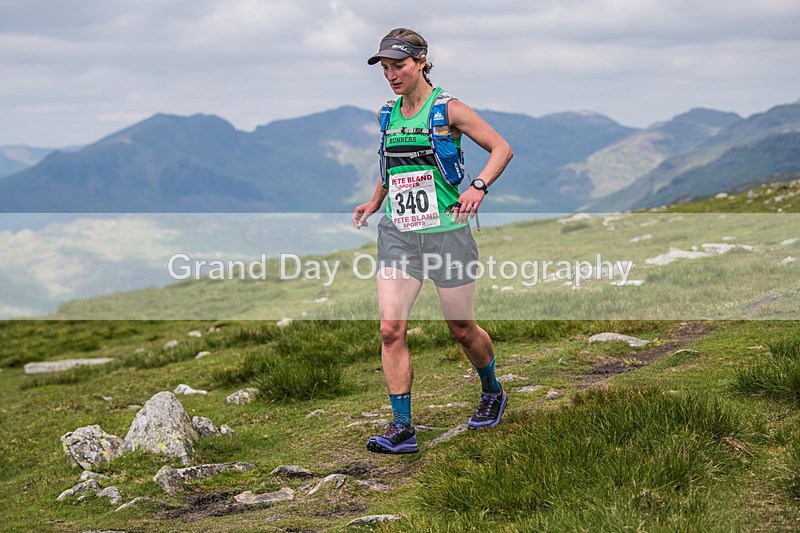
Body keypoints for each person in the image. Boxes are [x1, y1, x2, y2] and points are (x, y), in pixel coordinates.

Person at [352, 28, 514, 454]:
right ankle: (402, 428)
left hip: (447, 235)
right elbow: (392, 169)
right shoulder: (387, 114)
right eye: (385, 68)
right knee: (390, 329)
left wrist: (478, 186)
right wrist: (374, 202)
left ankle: (492, 390)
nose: (391, 75)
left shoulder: (449, 110)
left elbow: (501, 148)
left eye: (398, 65)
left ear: (421, 61)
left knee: (460, 329)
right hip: (399, 234)